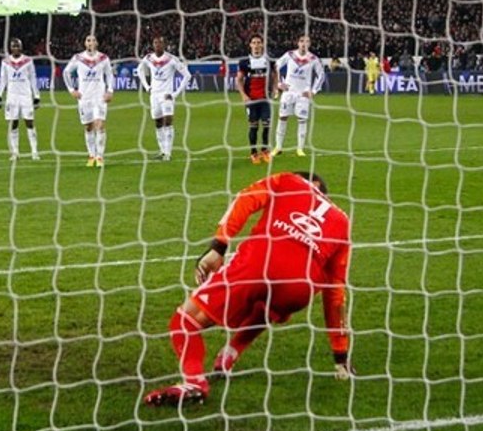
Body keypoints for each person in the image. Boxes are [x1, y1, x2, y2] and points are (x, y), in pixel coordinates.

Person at [143, 171, 352, 407]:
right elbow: (335, 294)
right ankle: (229, 354)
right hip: (300, 289)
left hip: (259, 263)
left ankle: (194, 383)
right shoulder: (342, 222)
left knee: (184, 321)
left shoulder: (288, 181)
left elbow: (247, 198)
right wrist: (340, 354)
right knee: (269, 307)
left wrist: (219, 245)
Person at [137, 36, 191, 161]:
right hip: (154, 95)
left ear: (164, 45)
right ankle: (162, 151)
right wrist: (147, 87)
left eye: (160, 43)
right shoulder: (149, 58)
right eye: (155, 43)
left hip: (166, 95)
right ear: (153, 44)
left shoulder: (171, 59)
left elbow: (187, 75)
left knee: (168, 121)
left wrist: (174, 94)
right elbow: (139, 70)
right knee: (158, 122)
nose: (157, 45)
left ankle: (168, 153)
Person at [63, 34, 114, 167]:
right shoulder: (78, 58)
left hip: (99, 97)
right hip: (84, 98)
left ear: (97, 43)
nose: (90, 42)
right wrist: (71, 90)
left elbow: (109, 75)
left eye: (93, 40)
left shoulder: (103, 58)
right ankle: (91, 156)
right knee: (88, 127)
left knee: (100, 125)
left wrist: (110, 91)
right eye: (88, 40)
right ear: (85, 44)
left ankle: (100, 157)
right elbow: (66, 72)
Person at [272, 35, 325, 157]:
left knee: (302, 120)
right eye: (301, 41)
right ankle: (278, 147)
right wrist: (279, 83)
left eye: (307, 41)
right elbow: (276, 66)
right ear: (297, 43)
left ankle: (300, 149)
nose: (304, 44)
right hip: (288, 93)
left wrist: (313, 91)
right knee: (282, 117)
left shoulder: (313, 59)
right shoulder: (290, 55)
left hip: (303, 94)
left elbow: (321, 75)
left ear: (310, 44)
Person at [0, 38, 41, 161]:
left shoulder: (28, 61)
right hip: (12, 96)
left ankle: (34, 152)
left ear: (21, 47)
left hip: (25, 96)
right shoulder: (5, 62)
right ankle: (15, 153)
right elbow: (3, 79)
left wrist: (36, 96)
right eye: (13, 46)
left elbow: (33, 78)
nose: (15, 48)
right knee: (13, 124)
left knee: (29, 122)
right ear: (10, 48)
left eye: (17, 46)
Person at [235, 35, 279, 164]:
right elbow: (239, 79)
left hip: (265, 99)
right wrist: (243, 95)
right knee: (253, 127)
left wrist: (275, 88)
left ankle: (265, 150)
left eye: (259, 42)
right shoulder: (245, 62)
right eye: (254, 42)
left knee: (267, 125)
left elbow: (275, 73)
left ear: (262, 45)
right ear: (250, 45)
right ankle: (253, 153)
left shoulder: (269, 60)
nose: (256, 45)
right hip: (251, 100)